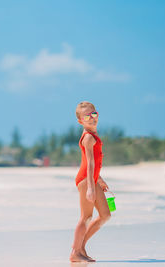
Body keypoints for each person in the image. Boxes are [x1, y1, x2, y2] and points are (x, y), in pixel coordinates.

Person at [69, 101, 111, 262]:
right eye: (87, 116)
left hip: (92, 178)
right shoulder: (88, 137)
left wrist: (99, 179)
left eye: (94, 113)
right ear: (80, 121)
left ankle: (81, 247)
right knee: (85, 216)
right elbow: (90, 163)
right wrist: (91, 188)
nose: (92, 118)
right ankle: (75, 251)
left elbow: (92, 162)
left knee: (105, 215)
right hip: (86, 180)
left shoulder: (93, 135)